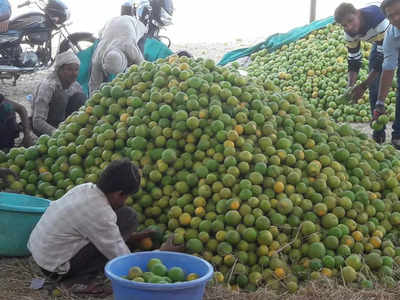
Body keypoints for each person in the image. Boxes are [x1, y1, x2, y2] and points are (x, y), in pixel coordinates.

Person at [28, 159, 181, 295]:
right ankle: (76, 281)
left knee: (127, 215)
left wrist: (132, 237)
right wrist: (162, 253)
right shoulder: (100, 214)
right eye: (126, 197)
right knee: (124, 223)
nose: (125, 201)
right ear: (119, 193)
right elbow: (122, 259)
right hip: (55, 269)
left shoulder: (84, 188)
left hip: (42, 254)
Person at [334, 3, 390, 143]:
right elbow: (354, 60)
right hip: (380, 44)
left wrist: (363, 85)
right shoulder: (349, 33)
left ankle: (397, 135)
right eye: (344, 25)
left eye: (351, 21)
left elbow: (384, 58)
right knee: (374, 88)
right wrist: (350, 87)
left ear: (358, 13)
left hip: (395, 39)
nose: (349, 27)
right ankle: (378, 131)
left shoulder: (377, 18)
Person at [32, 50, 87, 136]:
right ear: (59, 70)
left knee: (80, 97)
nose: (74, 74)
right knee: (61, 96)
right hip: (47, 129)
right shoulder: (48, 86)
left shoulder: (76, 86)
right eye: (69, 69)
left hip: (65, 128)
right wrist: (56, 132)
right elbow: (37, 121)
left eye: (76, 70)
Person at [89, 15, 146, 96]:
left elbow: (143, 67)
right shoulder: (98, 56)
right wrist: (93, 99)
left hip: (133, 24)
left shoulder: (129, 46)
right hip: (110, 24)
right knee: (101, 81)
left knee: (136, 72)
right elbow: (94, 83)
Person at [375, 0, 400, 149]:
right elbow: (388, 68)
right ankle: (398, 135)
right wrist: (380, 103)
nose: (396, 18)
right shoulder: (391, 35)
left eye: (399, 12)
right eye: (391, 16)